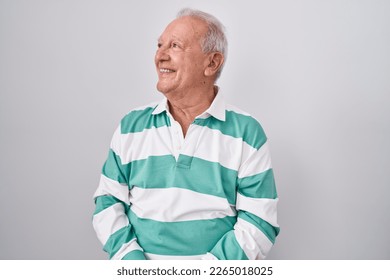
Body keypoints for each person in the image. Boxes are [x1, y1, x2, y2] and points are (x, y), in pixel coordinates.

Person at [92, 8, 279, 260]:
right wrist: (134, 265)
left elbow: (259, 222)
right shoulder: (131, 126)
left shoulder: (246, 132)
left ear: (211, 63)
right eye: (159, 45)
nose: (160, 55)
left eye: (175, 45)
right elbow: (107, 202)